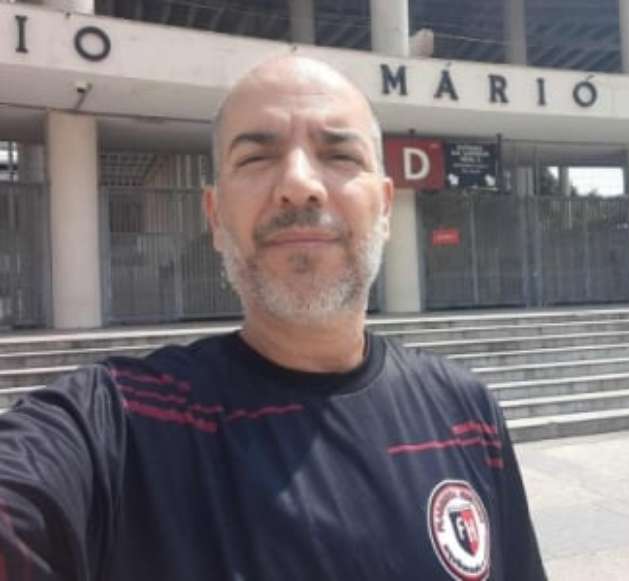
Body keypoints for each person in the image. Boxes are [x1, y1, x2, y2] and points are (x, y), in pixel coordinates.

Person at [0, 56, 546, 581]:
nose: (299, 184)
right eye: (257, 158)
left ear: (384, 210)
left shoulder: (465, 411)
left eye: (340, 155)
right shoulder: (118, 426)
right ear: (214, 217)